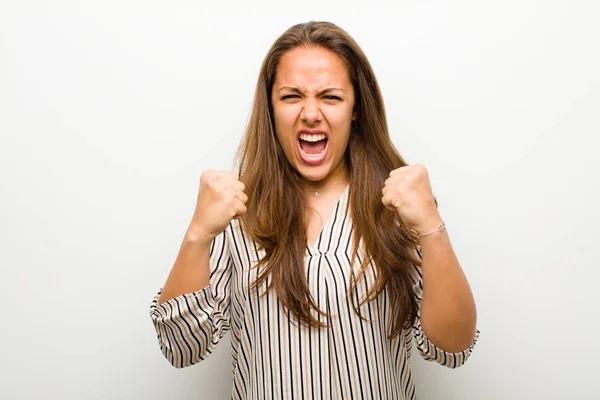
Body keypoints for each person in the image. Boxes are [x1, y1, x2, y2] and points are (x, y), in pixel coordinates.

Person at [149, 20, 479, 400]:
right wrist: (198, 234)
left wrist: (431, 225)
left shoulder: (398, 206)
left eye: (331, 97)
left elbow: (453, 349)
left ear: (356, 108)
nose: (310, 113)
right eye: (291, 97)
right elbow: (180, 346)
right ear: (270, 109)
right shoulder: (236, 211)